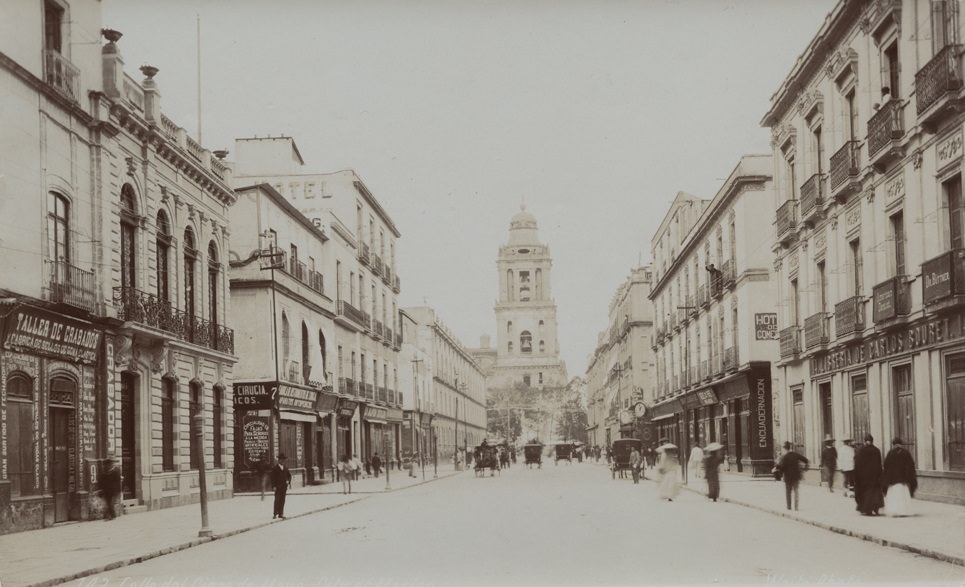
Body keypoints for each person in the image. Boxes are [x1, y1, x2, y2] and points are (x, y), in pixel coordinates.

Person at [882, 438, 917, 517]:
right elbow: (911, 466)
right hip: (903, 480)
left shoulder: (890, 453)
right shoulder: (906, 453)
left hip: (893, 480)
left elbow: (886, 466)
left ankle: (894, 510)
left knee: (894, 495)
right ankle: (903, 511)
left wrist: (887, 478)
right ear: (901, 444)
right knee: (903, 495)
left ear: (893, 444)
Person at [854, 434, 884, 516]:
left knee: (866, 494)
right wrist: (880, 476)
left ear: (864, 441)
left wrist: (856, 477)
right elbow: (879, 465)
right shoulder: (876, 450)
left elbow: (857, 465)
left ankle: (868, 509)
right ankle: (876, 508)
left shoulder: (860, 451)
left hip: (863, 478)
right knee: (875, 493)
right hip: (874, 477)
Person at [776, 441, 809, 511]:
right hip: (796, 476)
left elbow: (782, 467)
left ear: (785, 449)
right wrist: (805, 468)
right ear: (790, 448)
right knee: (796, 491)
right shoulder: (796, 455)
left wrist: (777, 468)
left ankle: (789, 507)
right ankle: (796, 507)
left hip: (788, 477)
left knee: (788, 492)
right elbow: (806, 460)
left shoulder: (784, 457)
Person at [98, 455, 122, 520]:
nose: (105, 466)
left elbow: (118, 482)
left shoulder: (114, 472)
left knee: (110, 503)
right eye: (104, 465)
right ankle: (110, 516)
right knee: (108, 503)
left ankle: (111, 516)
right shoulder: (104, 473)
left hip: (113, 491)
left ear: (109, 465)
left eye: (106, 465)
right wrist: (100, 490)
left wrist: (119, 491)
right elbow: (101, 482)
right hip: (106, 491)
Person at [271, 453, 292, 519]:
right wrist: (273, 486)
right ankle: (275, 514)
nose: (283, 461)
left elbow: (289, 476)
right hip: (278, 487)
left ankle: (281, 513)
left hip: (284, 487)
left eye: (284, 460)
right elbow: (272, 478)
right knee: (277, 500)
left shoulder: (285, 468)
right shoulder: (275, 468)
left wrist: (288, 481)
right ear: (279, 460)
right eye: (281, 460)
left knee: (282, 500)